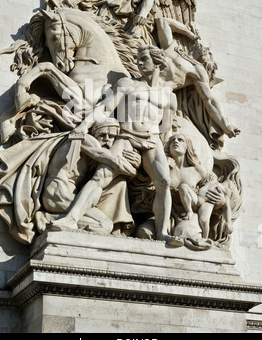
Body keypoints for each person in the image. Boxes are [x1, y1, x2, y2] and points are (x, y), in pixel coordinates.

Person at [48, 44, 184, 246]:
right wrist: (84, 126)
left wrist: (170, 156)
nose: (138, 62)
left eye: (144, 58)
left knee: (163, 181)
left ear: (157, 63)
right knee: (101, 176)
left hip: (152, 141)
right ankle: (71, 218)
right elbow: (105, 107)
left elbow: (166, 129)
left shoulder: (168, 96)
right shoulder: (127, 83)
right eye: (138, 58)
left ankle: (162, 233)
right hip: (127, 135)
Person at [42, 117, 140, 236]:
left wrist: (136, 161)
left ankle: (53, 218)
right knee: (104, 224)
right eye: (103, 135)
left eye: (112, 136)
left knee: (104, 224)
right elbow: (112, 160)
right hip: (57, 193)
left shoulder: (90, 157)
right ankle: (62, 220)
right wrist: (134, 169)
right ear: (95, 134)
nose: (107, 140)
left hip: (65, 196)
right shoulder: (85, 139)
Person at [165, 133, 233, 240]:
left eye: (180, 140)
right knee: (143, 232)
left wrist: (222, 200)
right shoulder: (163, 166)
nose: (176, 141)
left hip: (191, 211)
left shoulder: (197, 169)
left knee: (186, 233)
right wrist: (165, 168)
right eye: (173, 140)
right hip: (165, 212)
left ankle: (205, 239)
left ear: (187, 146)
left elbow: (210, 189)